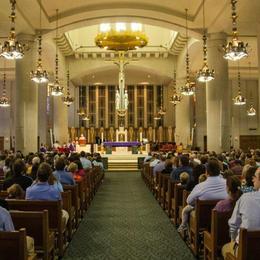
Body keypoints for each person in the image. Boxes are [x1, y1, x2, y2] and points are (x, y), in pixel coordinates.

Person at [178, 158, 228, 232]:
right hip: (224, 219)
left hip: (204, 220)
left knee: (188, 210)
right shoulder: (227, 183)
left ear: (206, 172)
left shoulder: (200, 186)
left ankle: (185, 227)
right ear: (219, 171)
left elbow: (189, 201)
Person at [222, 167, 260, 259]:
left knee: (225, 249)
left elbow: (233, 225)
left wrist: (233, 241)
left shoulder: (245, 198)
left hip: (247, 251)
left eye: (254, 176)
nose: (253, 179)